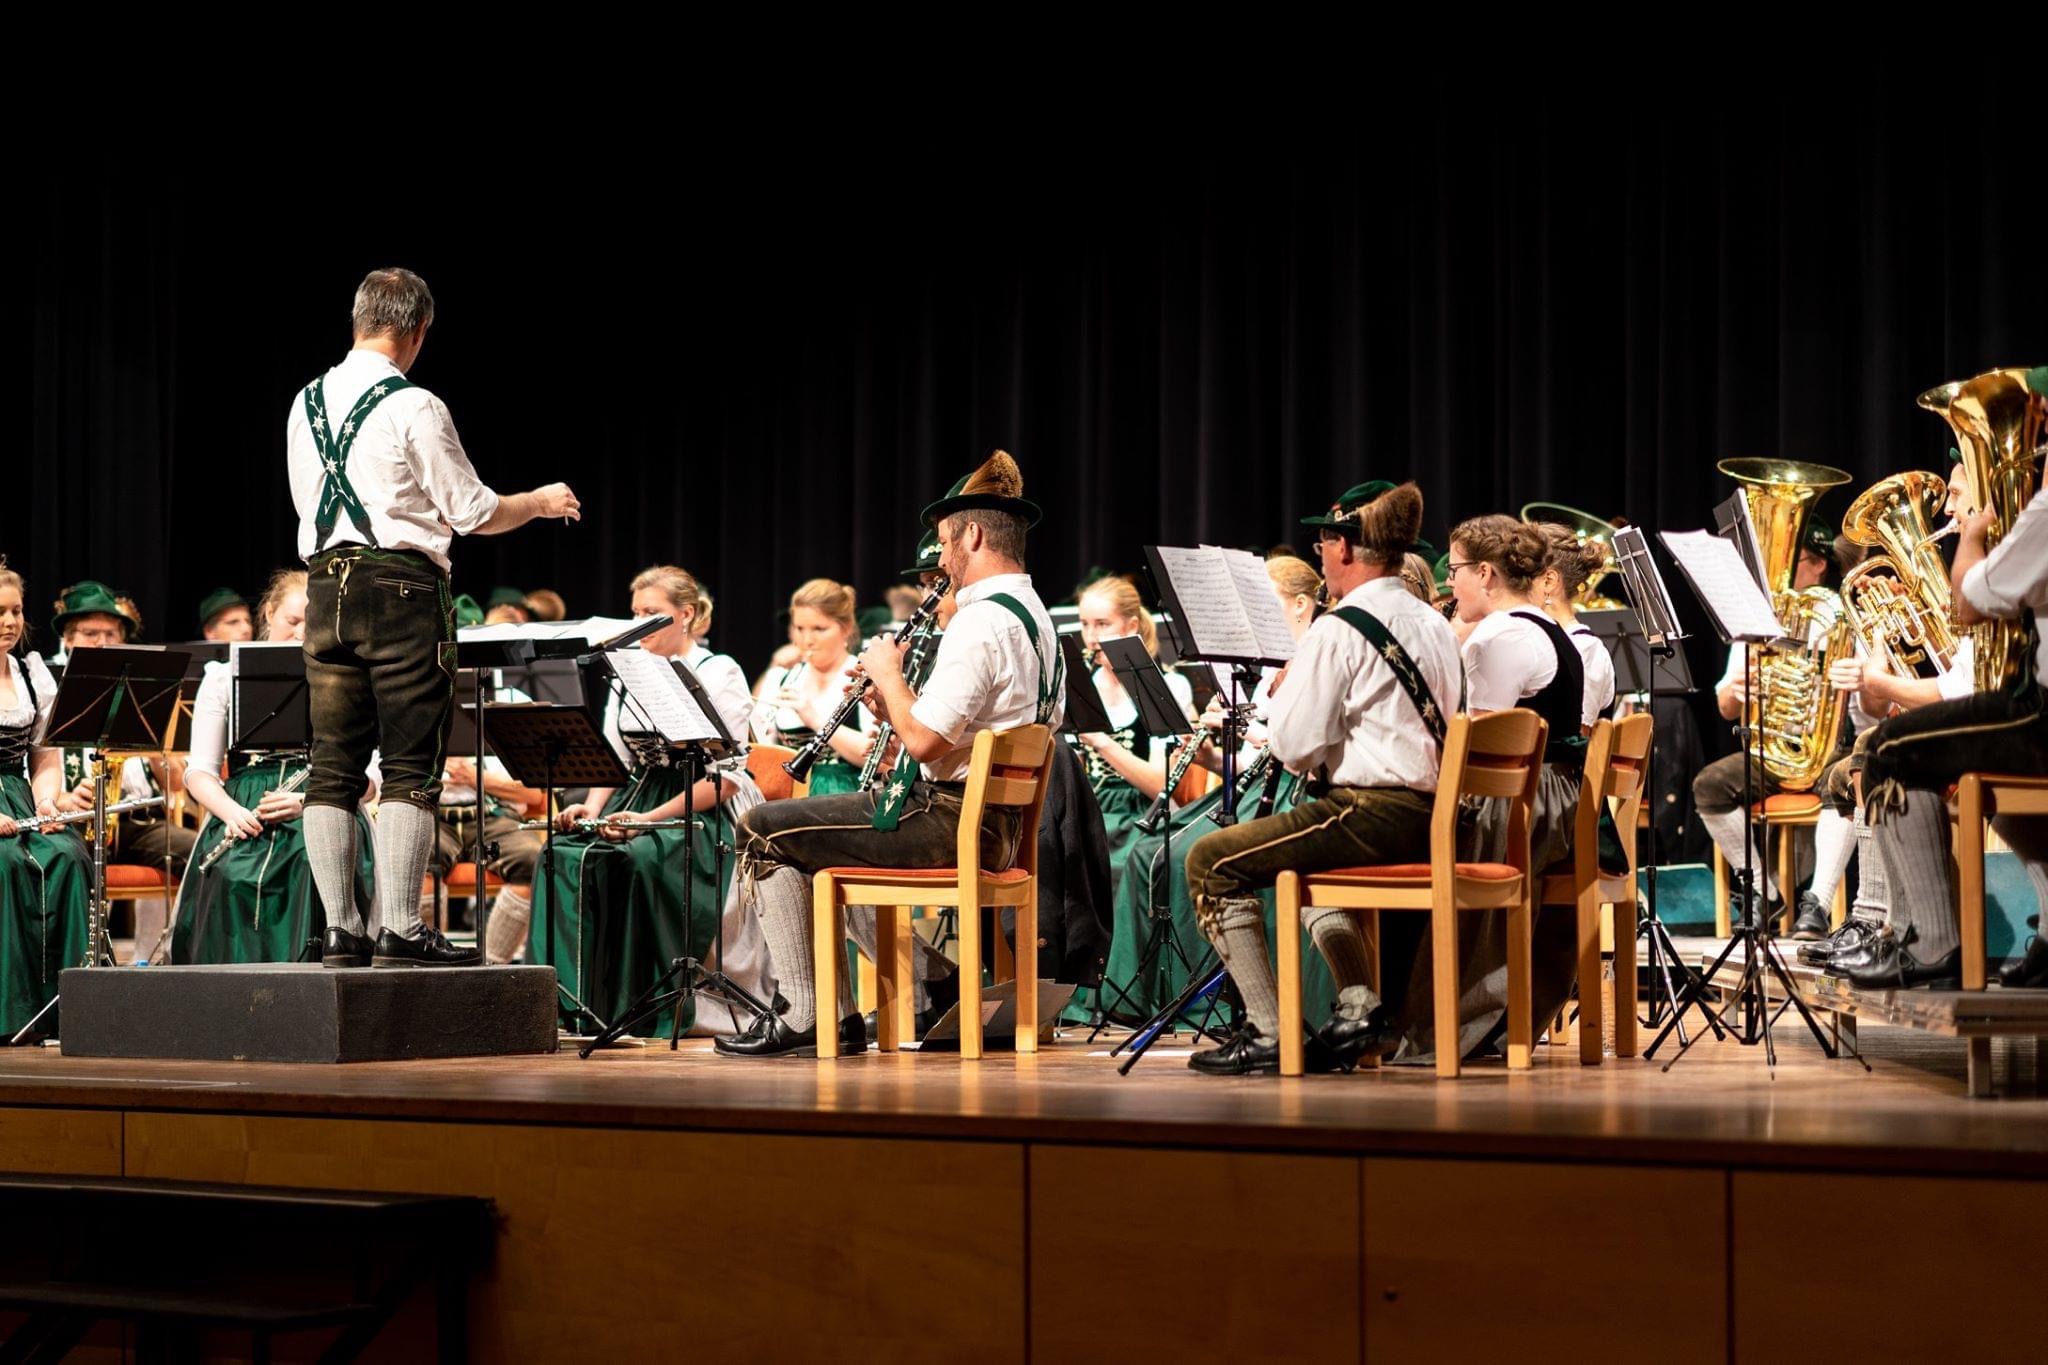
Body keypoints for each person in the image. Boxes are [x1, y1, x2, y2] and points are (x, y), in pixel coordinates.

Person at [717, 450, 1061, 1057]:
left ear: (972, 533)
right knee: (813, 839)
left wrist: (888, 672)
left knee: (760, 829)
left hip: (950, 820)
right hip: (993, 823)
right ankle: (912, 989)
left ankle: (809, 1013)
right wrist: (890, 708)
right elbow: (953, 730)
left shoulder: (978, 622)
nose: (942, 555)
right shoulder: (1032, 613)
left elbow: (926, 743)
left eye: (945, 540)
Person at [288, 266, 581, 969]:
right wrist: (538, 501)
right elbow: (473, 510)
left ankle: (340, 930)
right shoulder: (415, 403)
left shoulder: (304, 402)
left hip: (324, 588)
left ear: (358, 318)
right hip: (401, 591)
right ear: (418, 331)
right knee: (409, 763)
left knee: (331, 765)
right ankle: (398, 926)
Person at [1182, 481, 1461, 1075]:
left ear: (1348, 549)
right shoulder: (1433, 621)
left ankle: (1267, 1030)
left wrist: (1288, 697)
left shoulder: (1339, 629)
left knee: (1209, 862)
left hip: (1372, 812)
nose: (1319, 553)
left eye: (1325, 541)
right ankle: (1360, 1008)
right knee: (1301, 861)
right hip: (1433, 814)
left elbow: (1294, 748)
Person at [1096, 549, 1330, 1029]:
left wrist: (1247, 732)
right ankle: (1150, 994)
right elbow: (1249, 762)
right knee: (1149, 852)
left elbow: (1295, 751)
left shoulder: (1315, 658)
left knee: (1188, 855)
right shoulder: (1269, 670)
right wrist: (1207, 754)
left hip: (1295, 791)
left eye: (1267, 606)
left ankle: (1221, 999)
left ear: (1302, 606)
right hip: (1258, 785)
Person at [544, 566, 772, 1033]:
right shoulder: (627, 670)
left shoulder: (719, 670)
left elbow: (726, 777)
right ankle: (583, 1002)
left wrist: (648, 819)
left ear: (685, 615)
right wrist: (592, 806)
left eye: (653, 614)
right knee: (560, 853)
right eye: (635, 614)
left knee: (644, 858)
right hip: (639, 792)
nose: (638, 624)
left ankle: (653, 1001)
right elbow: (616, 757)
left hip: (704, 804)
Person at [171, 570, 377, 964]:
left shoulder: (350, 679)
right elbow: (199, 771)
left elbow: (372, 782)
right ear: (269, 613)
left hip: (323, 802)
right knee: (227, 874)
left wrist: (314, 801)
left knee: (311, 863)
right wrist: (230, 812)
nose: (301, 634)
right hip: (245, 807)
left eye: (312, 623)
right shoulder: (222, 677)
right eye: (292, 621)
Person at [1689, 520, 1844, 931]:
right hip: (1773, 753)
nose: (1781, 576)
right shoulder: (1756, 623)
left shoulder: (1839, 620)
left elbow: (1868, 706)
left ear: (1819, 566)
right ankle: (1762, 891)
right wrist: (1740, 689)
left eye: (1796, 563)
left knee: (1843, 781)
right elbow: (1724, 707)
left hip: (1826, 748)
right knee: (1709, 786)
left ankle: (1817, 904)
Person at [48, 581, 195, 879]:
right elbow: (30, 775)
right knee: (60, 861)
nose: (103, 642)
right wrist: (62, 799)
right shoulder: (46, 686)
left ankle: (187, 927)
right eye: (91, 634)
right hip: (75, 822)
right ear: (67, 639)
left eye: (111, 634)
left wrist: (156, 749)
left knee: (204, 852)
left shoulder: (144, 686)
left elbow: (176, 784)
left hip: (138, 822)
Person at [0, 563, 91, 1040]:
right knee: (5, 865)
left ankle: (72, 1010)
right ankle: (11, 1012)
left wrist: (48, 802)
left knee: (71, 856)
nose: (10, 622)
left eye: (15, 611)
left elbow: (45, 756)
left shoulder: (32, 675)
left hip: (18, 797)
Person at [1070, 574, 1195, 893]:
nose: (1091, 637)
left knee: (1133, 862)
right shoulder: (1081, 685)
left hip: (1140, 814)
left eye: (1102, 624)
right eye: (1085, 625)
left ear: (1132, 626)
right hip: (1090, 809)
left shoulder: (1167, 686)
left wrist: (1100, 742)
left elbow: (1159, 784)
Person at [752, 579, 874, 796]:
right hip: (784, 792)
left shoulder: (865, 678)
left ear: (845, 628)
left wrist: (814, 719)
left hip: (845, 795)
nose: (807, 640)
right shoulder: (780, 679)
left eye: (819, 629)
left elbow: (877, 758)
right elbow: (760, 749)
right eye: (799, 628)